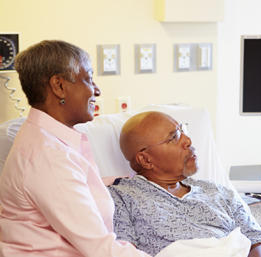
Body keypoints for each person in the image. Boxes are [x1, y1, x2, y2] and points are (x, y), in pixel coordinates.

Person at [0, 40, 151, 256]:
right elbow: (101, 250)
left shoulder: (45, 139)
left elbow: (70, 187)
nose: (97, 90)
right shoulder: (48, 157)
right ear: (59, 86)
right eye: (89, 79)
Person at [108, 111, 261, 257]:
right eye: (174, 137)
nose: (188, 140)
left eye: (182, 130)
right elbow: (123, 251)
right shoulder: (121, 197)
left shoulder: (218, 191)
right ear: (145, 159)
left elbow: (258, 241)